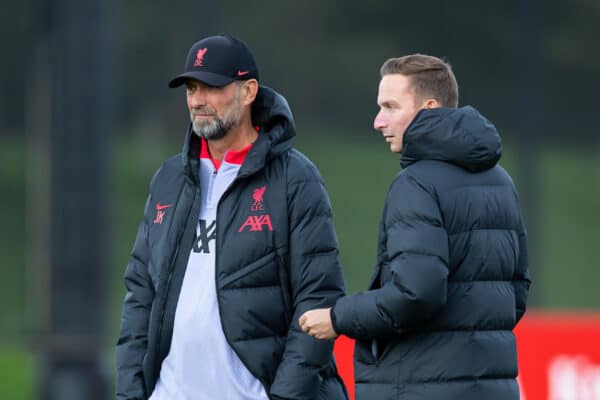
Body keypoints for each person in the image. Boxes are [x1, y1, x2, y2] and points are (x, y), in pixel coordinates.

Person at [116, 34, 348, 400]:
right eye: (191, 88)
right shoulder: (168, 179)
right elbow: (141, 295)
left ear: (249, 90)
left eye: (211, 87)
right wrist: (132, 392)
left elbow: (318, 296)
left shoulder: (295, 179)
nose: (197, 101)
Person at [299, 54, 530, 399]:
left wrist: (337, 318)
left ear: (430, 108)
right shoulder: (501, 181)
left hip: (420, 387)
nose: (378, 121)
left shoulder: (416, 183)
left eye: (390, 107)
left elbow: (416, 293)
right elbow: (516, 293)